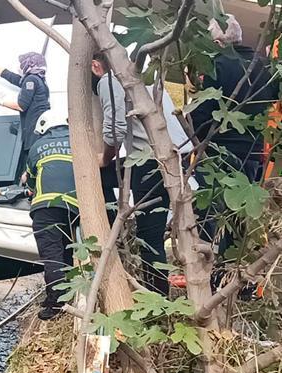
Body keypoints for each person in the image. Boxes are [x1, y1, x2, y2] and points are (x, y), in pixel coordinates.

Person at [91, 52, 171, 295]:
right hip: (172, 156)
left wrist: (103, 158)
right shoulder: (142, 78)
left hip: (149, 160)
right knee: (155, 232)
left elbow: (115, 129)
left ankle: (157, 298)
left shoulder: (109, 80)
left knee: (149, 235)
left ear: (95, 66)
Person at [190, 15, 277, 182]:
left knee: (212, 206)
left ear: (217, 43)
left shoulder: (216, 67)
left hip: (217, 153)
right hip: (251, 153)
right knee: (239, 206)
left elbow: (202, 113)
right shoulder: (265, 68)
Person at [24, 110, 78, 320]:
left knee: (52, 255)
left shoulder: (37, 147)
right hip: (73, 208)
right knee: (66, 252)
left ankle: (55, 305)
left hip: (46, 208)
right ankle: (65, 295)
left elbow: (30, 181)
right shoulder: (77, 142)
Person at [0, 52, 51, 175]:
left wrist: (1, 101)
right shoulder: (38, 80)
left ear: (29, 64)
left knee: (32, 166)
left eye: (23, 63)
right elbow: (9, 75)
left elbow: (21, 106)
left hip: (34, 132)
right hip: (40, 131)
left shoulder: (31, 80)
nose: (20, 67)